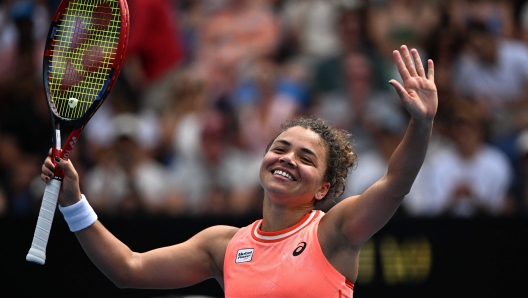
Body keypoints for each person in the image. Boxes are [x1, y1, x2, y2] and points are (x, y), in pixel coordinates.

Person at [39, 45, 437, 297]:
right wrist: (74, 201)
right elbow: (128, 269)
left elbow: (395, 183)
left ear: (323, 188)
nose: (287, 159)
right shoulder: (221, 245)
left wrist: (420, 125)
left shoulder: (335, 232)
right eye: (280, 148)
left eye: (305, 157)